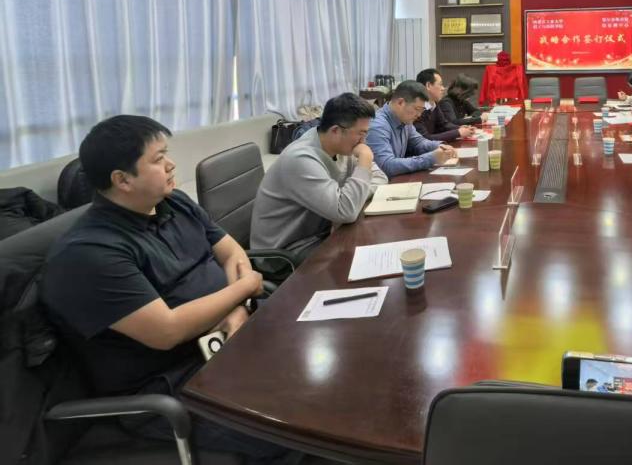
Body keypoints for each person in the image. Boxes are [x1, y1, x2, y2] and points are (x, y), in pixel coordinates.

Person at [39, 116, 297, 462]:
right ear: (122, 180)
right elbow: (167, 330)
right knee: (296, 424)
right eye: (159, 159)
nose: (171, 165)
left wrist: (237, 310)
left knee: (323, 355)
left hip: (228, 337)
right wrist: (246, 288)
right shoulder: (88, 254)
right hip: (175, 380)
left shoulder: (174, 202)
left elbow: (232, 252)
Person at [250, 93, 388, 260]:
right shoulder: (300, 159)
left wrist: (352, 197)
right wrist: (365, 160)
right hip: (287, 252)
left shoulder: (344, 146)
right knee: (365, 256)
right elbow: (346, 211)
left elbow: (380, 178)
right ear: (336, 131)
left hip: (323, 233)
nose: (364, 141)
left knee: (376, 240)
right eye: (361, 133)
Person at [366, 80, 456, 177]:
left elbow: (419, 142)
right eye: (417, 109)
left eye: (422, 110)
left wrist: (440, 146)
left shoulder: (405, 120)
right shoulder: (378, 125)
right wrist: (431, 158)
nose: (419, 115)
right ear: (400, 102)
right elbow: (386, 166)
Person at [413, 68, 473, 142]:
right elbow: (425, 139)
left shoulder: (434, 104)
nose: (443, 88)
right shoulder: (417, 109)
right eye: (440, 84)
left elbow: (444, 124)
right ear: (428, 85)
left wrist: (460, 128)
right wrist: (458, 132)